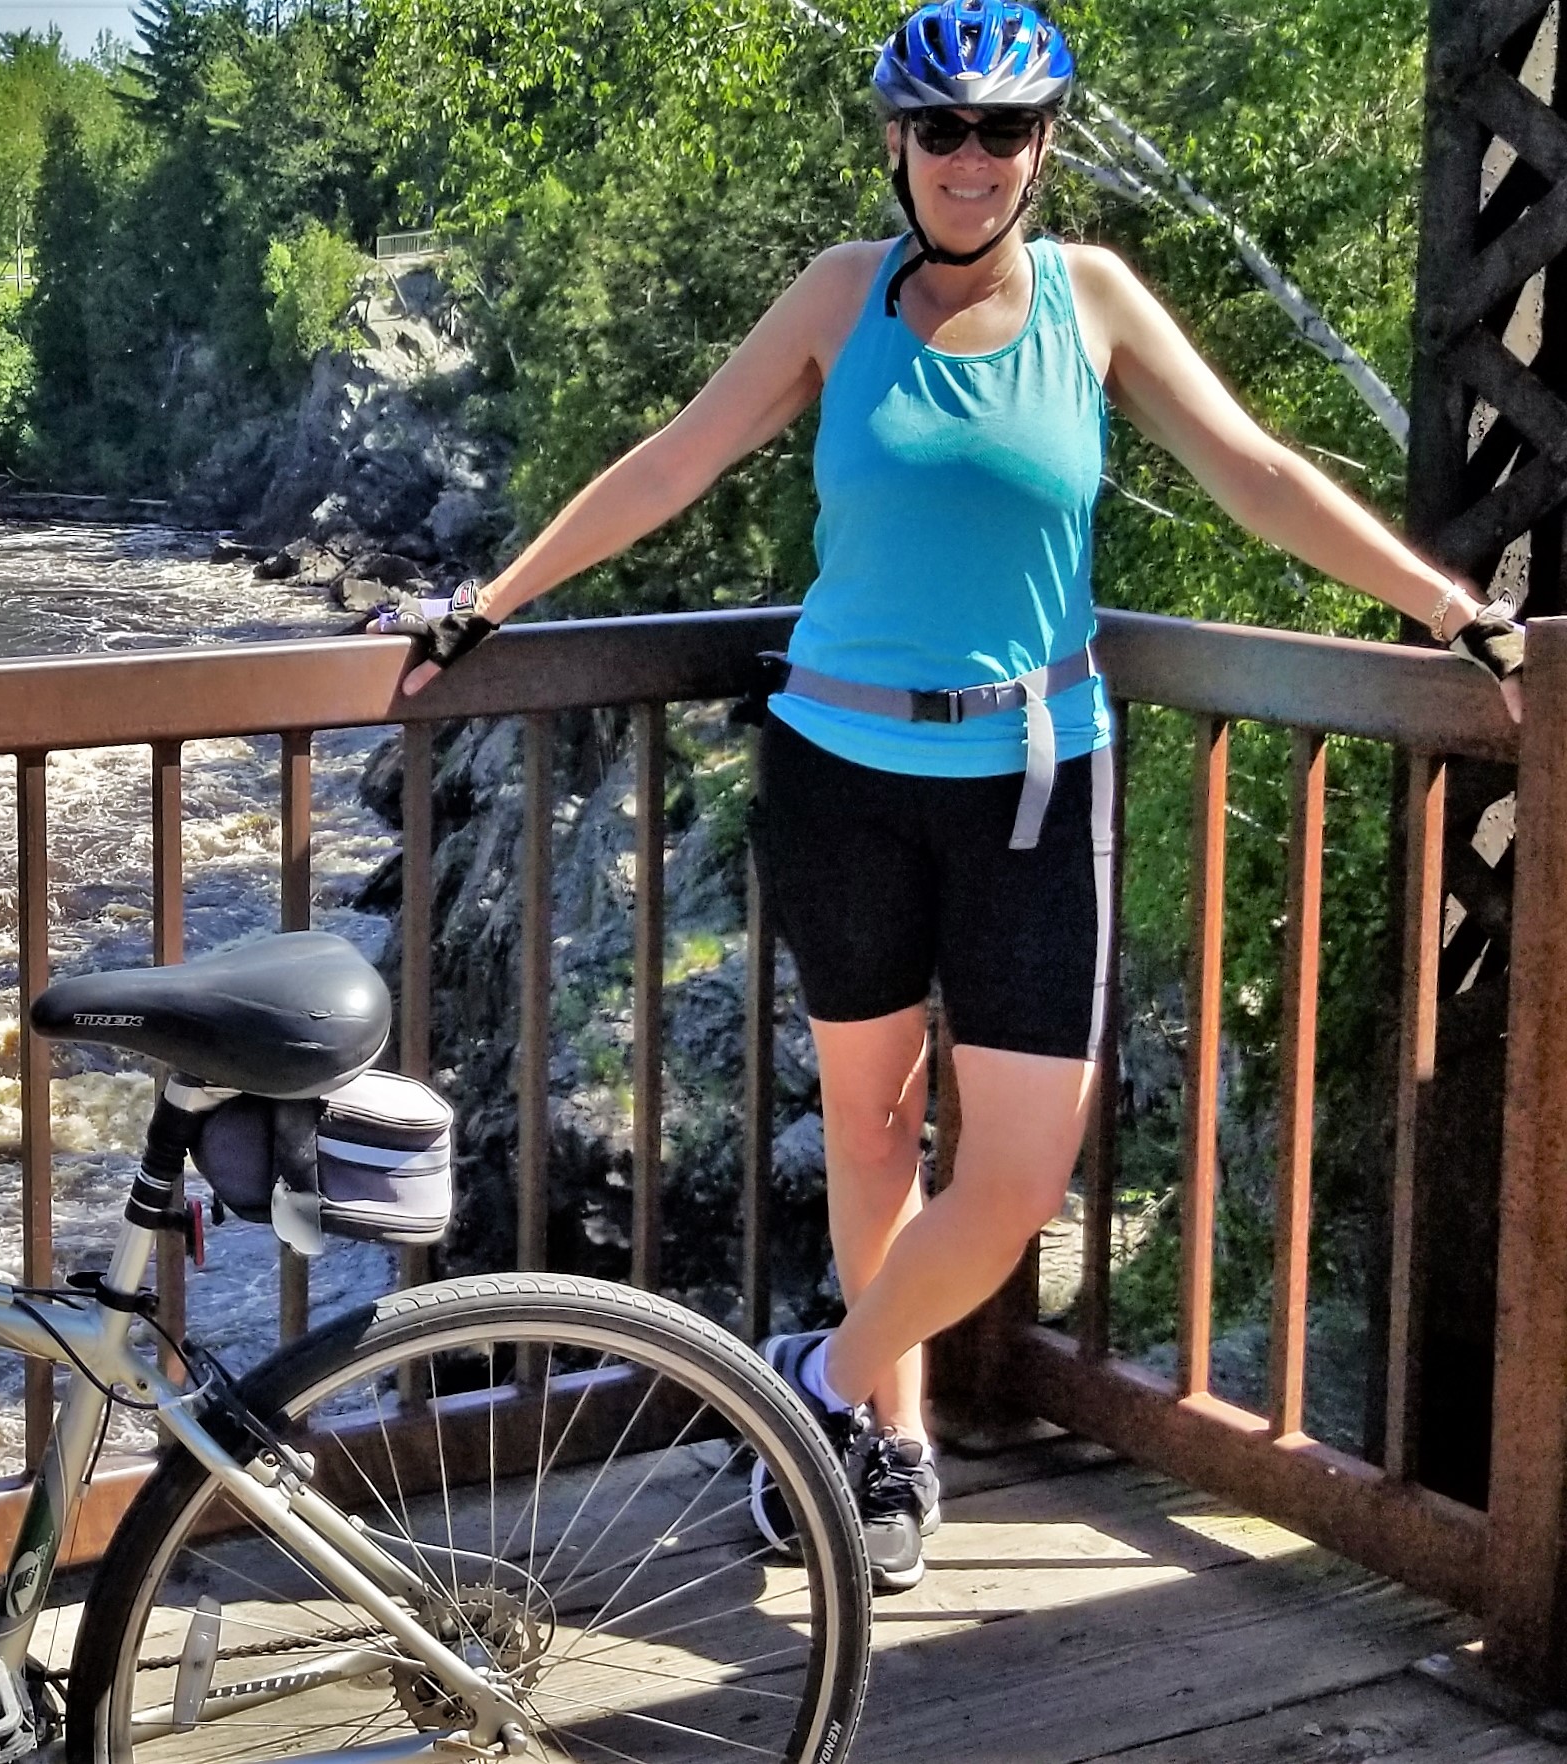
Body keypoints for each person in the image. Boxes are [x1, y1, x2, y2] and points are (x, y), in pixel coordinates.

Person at [378, 0, 1525, 1593]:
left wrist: (1449, 609)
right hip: (842, 774)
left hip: (1036, 785)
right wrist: (490, 600)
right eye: (942, 131)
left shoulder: (1096, 304)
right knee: (873, 1119)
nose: (971, 160)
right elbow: (672, 463)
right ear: (898, 146)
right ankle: (887, 1449)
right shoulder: (841, 301)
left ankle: (821, 1384)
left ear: (1043, 146)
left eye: (1003, 131)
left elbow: (1255, 472)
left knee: (1019, 1173)